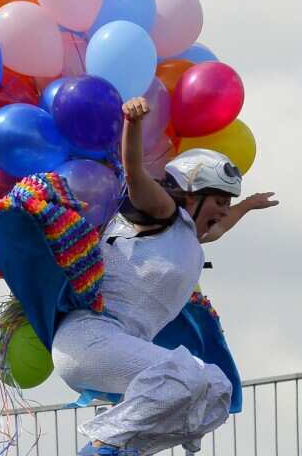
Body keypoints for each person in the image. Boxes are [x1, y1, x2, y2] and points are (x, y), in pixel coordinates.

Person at [51, 97, 278, 456]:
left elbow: (218, 229)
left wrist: (247, 206)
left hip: (118, 344)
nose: (224, 210)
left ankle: (126, 450)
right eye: (219, 200)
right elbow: (136, 173)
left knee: (217, 386)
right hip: (88, 340)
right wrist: (132, 122)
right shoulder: (162, 211)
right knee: (184, 375)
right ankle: (100, 446)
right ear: (190, 193)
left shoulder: (189, 234)